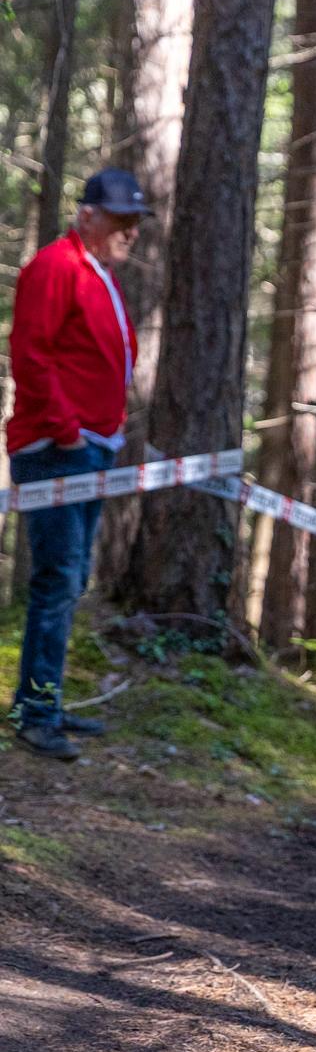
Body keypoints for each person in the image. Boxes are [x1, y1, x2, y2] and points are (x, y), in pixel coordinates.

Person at [7, 169, 148, 761]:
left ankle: (45, 699)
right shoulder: (55, 267)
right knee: (58, 578)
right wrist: (66, 431)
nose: (131, 231)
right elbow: (30, 354)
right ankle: (35, 713)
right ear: (87, 215)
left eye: (136, 222)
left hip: (91, 447)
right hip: (56, 450)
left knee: (72, 578)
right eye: (121, 220)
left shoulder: (99, 273)